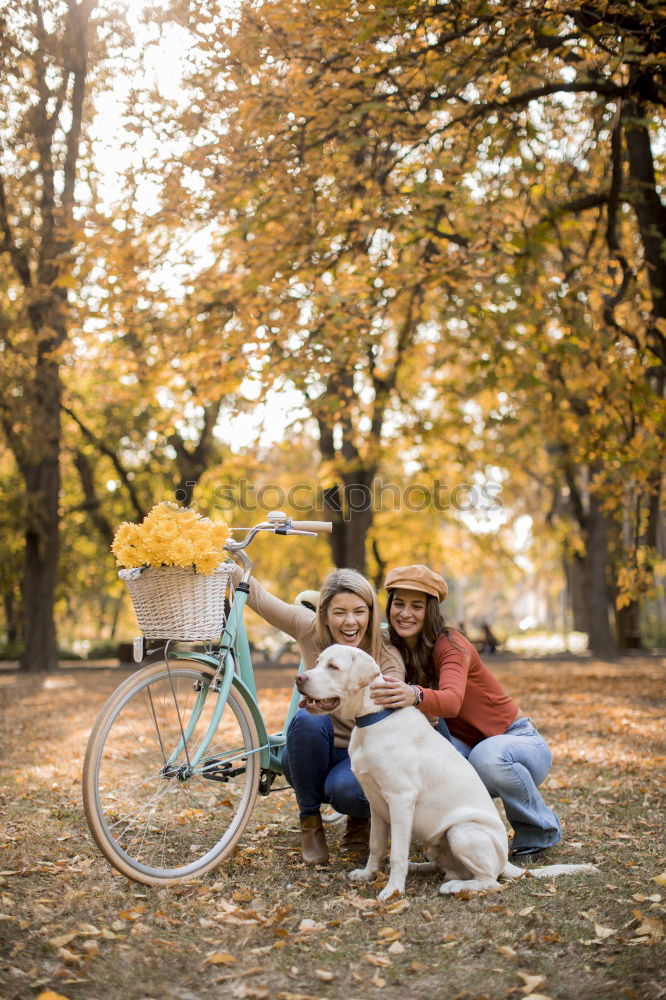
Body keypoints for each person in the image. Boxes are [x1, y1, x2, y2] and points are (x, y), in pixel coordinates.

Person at [370, 564, 562, 858]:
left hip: (517, 741)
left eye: (416, 606)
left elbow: (451, 701)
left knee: (488, 757)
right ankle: (447, 839)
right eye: (399, 603)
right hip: (466, 746)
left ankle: (540, 830)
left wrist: (414, 694)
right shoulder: (395, 648)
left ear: (431, 611)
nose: (405, 613)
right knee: (428, 765)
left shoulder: (451, 644)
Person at [228, 564, 404, 865]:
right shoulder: (309, 628)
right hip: (314, 749)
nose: (350, 622)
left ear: (371, 614)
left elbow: (392, 718)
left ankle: (361, 818)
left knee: (351, 792)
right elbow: (259, 597)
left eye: (359, 611)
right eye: (339, 612)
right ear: (324, 614)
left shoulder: (385, 654)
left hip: (360, 754)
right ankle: (309, 820)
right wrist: (224, 561)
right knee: (308, 719)